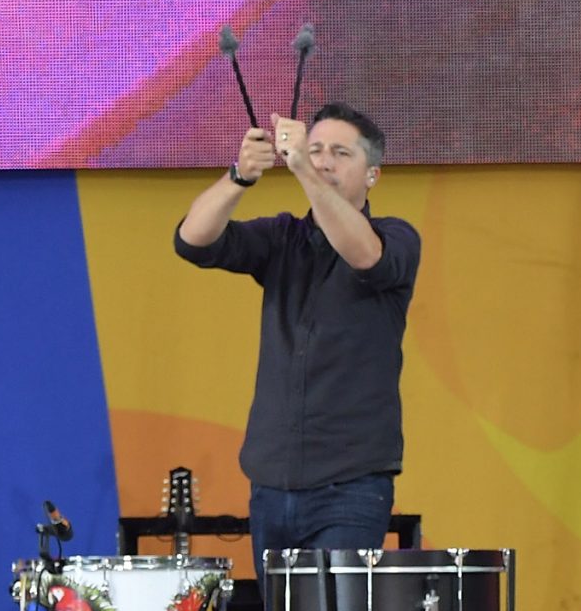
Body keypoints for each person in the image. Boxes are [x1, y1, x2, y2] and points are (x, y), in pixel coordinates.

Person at [175, 102, 421, 570]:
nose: (324, 161)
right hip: (272, 483)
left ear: (373, 174)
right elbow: (192, 240)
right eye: (316, 149)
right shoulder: (283, 237)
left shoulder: (397, 237)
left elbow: (365, 256)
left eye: (340, 154)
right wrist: (238, 176)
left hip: (350, 485)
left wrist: (305, 170)